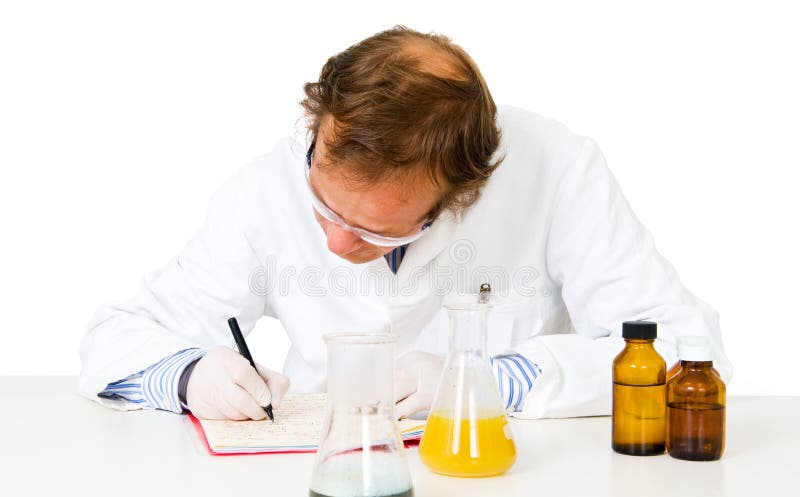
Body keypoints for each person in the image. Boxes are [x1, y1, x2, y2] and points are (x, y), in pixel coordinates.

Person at [78, 26, 732, 421]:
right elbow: (114, 339)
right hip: (317, 474)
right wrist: (190, 375)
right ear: (318, 130)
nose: (337, 242)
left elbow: (687, 349)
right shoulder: (264, 188)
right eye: (325, 208)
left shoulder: (557, 169)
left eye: (379, 232)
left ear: (461, 195)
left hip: (507, 487)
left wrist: (480, 380)